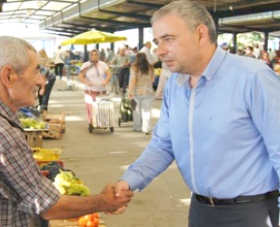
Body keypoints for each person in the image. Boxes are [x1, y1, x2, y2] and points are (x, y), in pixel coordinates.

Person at [114, 1, 280, 227]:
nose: (160, 51)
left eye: (169, 39)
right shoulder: (175, 84)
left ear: (200, 34)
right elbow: (164, 144)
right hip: (201, 211)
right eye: (157, 41)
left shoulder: (252, 78)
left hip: (251, 214)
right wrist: (129, 180)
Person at [0, 36, 133, 227]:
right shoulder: (1, 135)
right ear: (8, 76)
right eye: (36, 70)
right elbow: (49, 207)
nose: (41, 80)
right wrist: (103, 201)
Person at [78, 49, 112, 130]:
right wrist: (86, 82)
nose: (94, 56)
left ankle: (101, 121)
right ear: (90, 56)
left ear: (98, 55)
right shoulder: (86, 65)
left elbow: (109, 73)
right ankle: (91, 121)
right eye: (92, 55)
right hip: (90, 89)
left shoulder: (102, 64)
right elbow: (80, 75)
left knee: (101, 106)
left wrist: (106, 81)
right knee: (90, 106)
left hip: (101, 89)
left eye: (95, 55)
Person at [128, 53, 154, 135]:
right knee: (146, 111)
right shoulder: (150, 67)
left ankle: (137, 127)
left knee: (137, 110)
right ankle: (146, 128)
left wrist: (130, 91)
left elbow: (133, 80)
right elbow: (152, 80)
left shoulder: (134, 68)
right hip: (148, 92)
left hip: (137, 92)